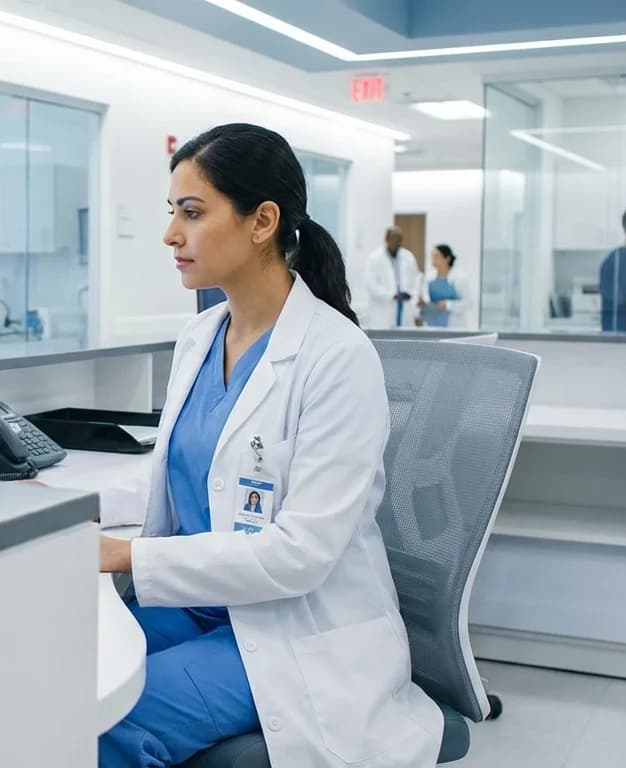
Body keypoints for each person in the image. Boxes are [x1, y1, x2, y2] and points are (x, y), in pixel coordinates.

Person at [98, 123, 441, 768]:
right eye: (172, 212)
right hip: (198, 606)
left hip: (288, 628)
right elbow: (186, 475)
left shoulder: (337, 357)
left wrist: (123, 554)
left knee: (102, 722)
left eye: (191, 213)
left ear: (262, 222)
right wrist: (62, 508)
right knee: (51, 667)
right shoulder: (199, 338)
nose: (171, 234)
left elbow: (299, 554)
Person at [364, 226, 421, 328]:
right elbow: (371, 284)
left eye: (399, 240)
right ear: (386, 239)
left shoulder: (408, 257)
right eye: (394, 239)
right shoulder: (374, 258)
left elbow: (416, 279)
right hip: (383, 309)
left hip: (404, 305)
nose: (396, 242)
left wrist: (412, 294)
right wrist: (392, 295)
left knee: (404, 333)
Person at [419, 244, 476, 329]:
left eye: (436, 256)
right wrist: (423, 302)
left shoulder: (460, 278)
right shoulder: (429, 277)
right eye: (432, 256)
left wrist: (448, 304)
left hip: (454, 324)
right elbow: (426, 298)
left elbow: (469, 303)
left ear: (447, 258)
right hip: (432, 323)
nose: (433, 259)